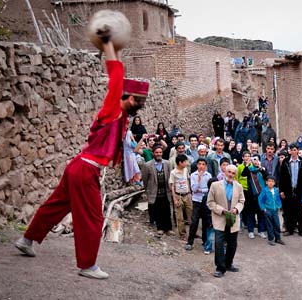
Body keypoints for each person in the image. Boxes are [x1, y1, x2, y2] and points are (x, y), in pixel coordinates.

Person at [14, 39, 147, 279]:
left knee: (54, 206)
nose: (141, 106)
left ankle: (26, 240)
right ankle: (87, 265)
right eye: (139, 101)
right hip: (86, 170)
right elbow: (116, 80)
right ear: (129, 99)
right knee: (94, 218)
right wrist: (109, 48)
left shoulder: (122, 115)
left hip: (79, 167)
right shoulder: (113, 110)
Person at [207, 164, 245, 278]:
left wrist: (236, 209)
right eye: (229, 172)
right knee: (219, 244)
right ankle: (220, 268)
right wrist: (220, 210)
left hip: (233, 220)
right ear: (224, 172)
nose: (231, 175)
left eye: (233, 173)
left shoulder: (238, 186)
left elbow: (242, 201)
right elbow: (210, 203)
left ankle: (228, 264)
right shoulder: (215, 185)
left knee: (232, 244)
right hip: (219, 219)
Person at [278, 144, 302, 238]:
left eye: (295, 150)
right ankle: (289, 229)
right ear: (289, 151)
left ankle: (301, 230)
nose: (293, 152)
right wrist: (281, 190)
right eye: (291, 150)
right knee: (288, 211)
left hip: (299, 190)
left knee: (300, 212)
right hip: (288, 190)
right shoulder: (286, 162)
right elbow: (281, 177)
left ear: (297, 150)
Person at [142, 145, 174, 235]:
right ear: (153, 153)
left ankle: (168, 228)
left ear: (162, 153)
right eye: (156, 152)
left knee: (167, 209)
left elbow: (171, 177)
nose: (158, 154)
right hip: (154, 192)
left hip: (166, 191)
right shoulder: (147, 165)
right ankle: (160, 228)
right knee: (158, 210)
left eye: (160, 152)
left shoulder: (167, 164)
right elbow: (144, 179)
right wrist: (148, 190)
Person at [185, 158, 213, 251]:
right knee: (194, 222)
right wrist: (199, 179)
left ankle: (205, 241)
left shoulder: (209, 175)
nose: (201, 166)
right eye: (199, 164)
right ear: (197, 165)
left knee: (206, 222)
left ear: (206, 166)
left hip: (205, 201)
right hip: (196, 200)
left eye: (203, 164)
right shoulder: (193, 175)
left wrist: (201, 190)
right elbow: (194, 189)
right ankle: (190, 242)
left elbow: (209, 189)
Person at [169, 154, 192, 238]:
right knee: (179, 217)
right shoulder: (173, 173)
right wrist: (174, 199)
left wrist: (189, 192)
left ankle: (192, 233)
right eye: (185, 162)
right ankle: (182, 234)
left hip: (187, 194)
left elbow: (187, 181)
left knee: (190, 214)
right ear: (180, 163)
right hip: (178, 195)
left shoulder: (185, 170)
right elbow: (172, 186)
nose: (186, 163)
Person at [258, 176, 285, 246]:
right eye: (269, 181)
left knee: (277, 224)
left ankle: (278, 238)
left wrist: (279, 206)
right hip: (268, 210)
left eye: (272, 181)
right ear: (266, 182)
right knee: (269, 225)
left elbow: (278, 199)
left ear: (274, 183)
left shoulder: (276, 190)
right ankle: (271, 239)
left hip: (275, 210)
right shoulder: (264, 190)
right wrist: (264, 209)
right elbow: (260, 200)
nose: (271, 183)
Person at [246, 154, 268, 239]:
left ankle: (261, 231)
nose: (256, 161)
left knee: (261, 214)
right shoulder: (249, 169)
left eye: (257, 160)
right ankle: (251, 231)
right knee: (250, 214)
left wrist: (260, 167)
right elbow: (244, 174)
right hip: (251, 196)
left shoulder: (262, 169)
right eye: (254, 160)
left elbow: (267, 176)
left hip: (261, 195)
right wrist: (247, 165)